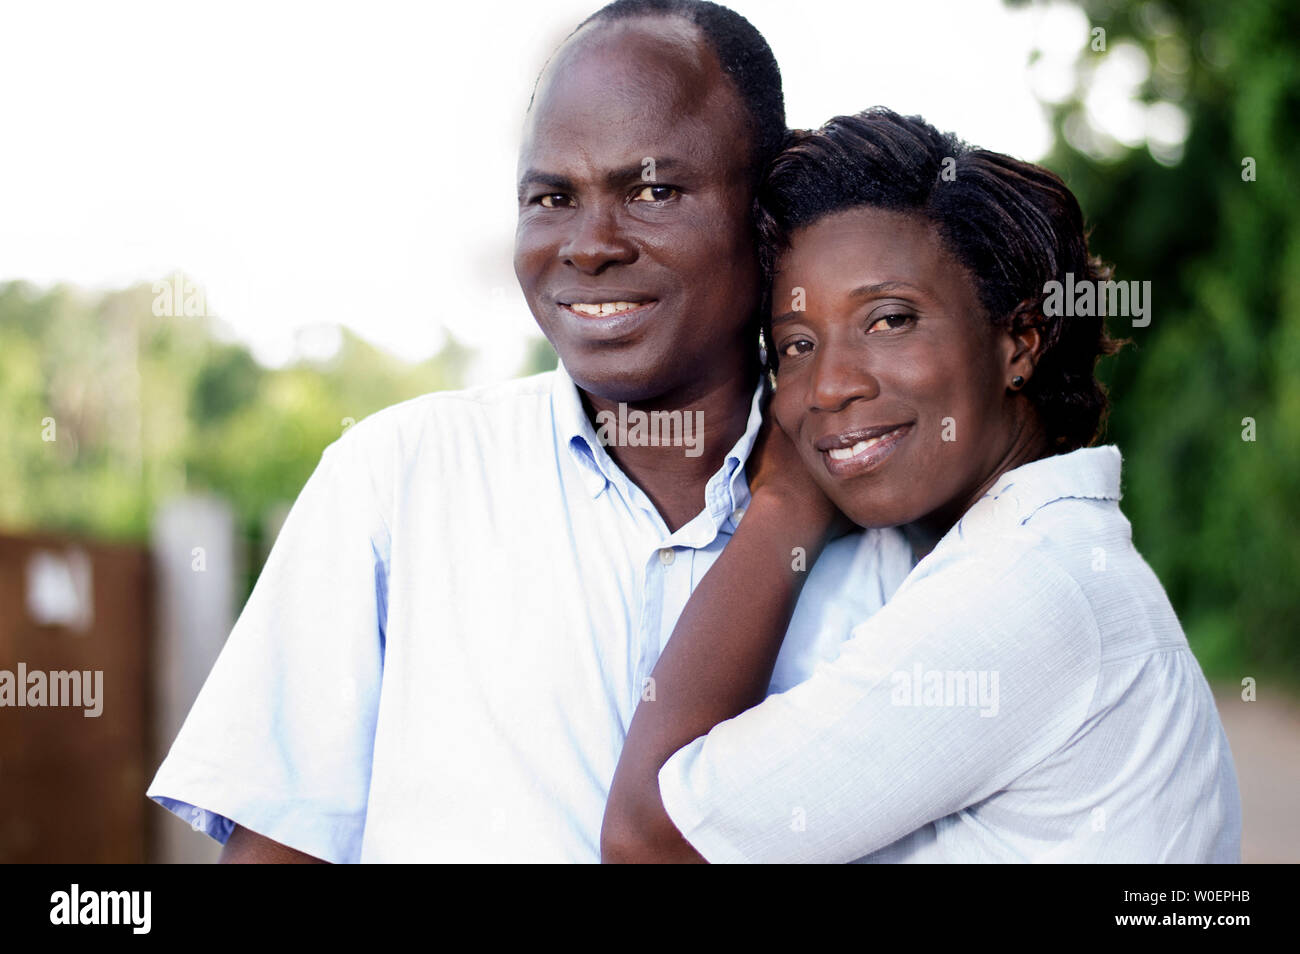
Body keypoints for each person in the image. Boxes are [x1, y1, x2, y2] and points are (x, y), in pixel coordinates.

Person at [145, 3, 913, 862]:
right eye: (552, 198)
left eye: (653, 191)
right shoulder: (395, 483)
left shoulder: (899, 517)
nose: (588, 246)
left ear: (767, 212)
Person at [602, 108, 1242, 863]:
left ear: (1018, 342)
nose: (830, 386)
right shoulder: (1036, 560)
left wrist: (780, 509)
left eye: (890, 319)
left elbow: (650, 841)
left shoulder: (1020, 591)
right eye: (797, 346)